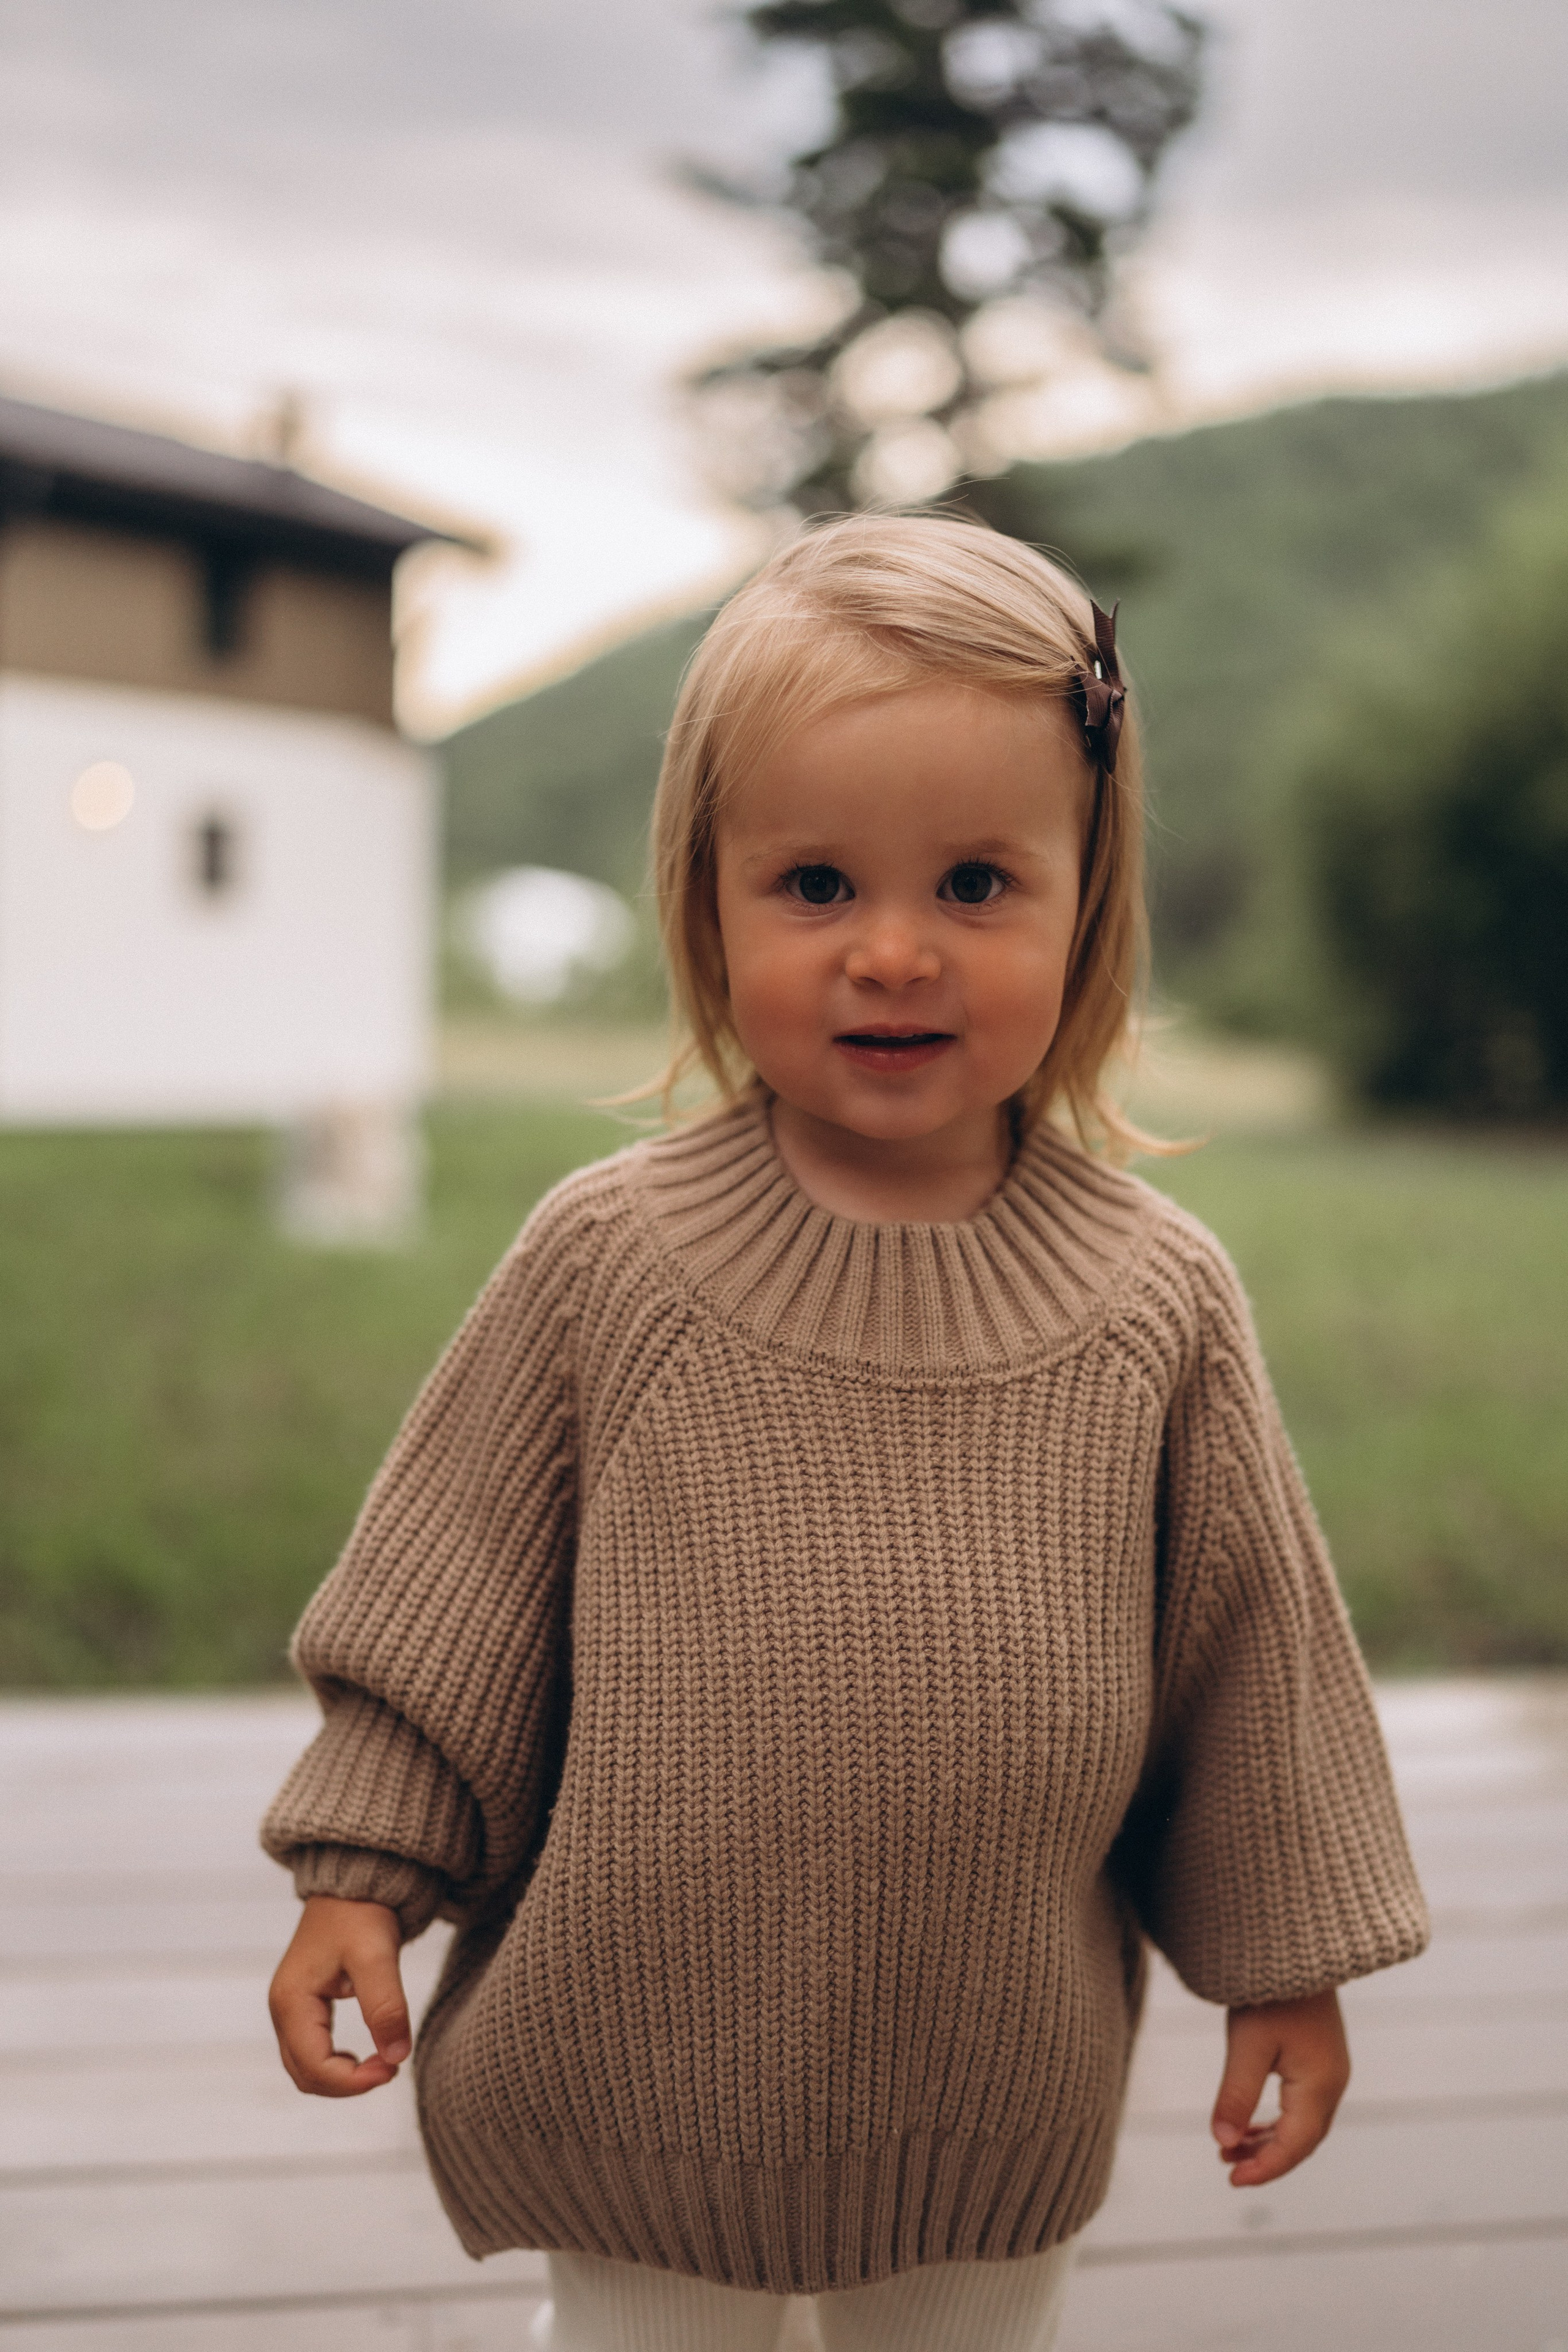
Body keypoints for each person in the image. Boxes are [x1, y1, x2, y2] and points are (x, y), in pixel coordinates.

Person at [262, 516, 1428, 2351]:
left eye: (975, 884)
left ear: (1087, 904)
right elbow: (447, 1602)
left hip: (989, 2079)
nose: (894, 953)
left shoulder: (1155, 1303)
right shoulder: (611, 1263)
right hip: (637, 2062)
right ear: (708, 905)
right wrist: (362, 1872)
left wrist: (1285, 1969)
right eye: (814, 885)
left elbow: (1254, 1673)